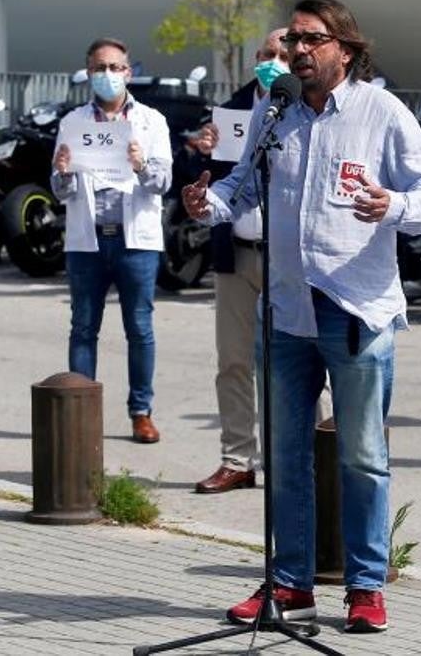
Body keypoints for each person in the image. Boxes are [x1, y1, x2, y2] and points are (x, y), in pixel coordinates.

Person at [184, 0, 421, 633]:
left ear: (345, 50)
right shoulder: (274, 113)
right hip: (286, 311)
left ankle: (364, 586)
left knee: (361, 456)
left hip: (355, 309)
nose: (296, 52)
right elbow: (240, 187)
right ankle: (289, 583)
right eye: (290, 43)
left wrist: (391, 206)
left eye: (309, 41)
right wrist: (205, 202)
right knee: (286, 456)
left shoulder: (382, 113)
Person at [178, 28, 288, 494]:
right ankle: (238, 458)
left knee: (296, 365)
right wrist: (197, 154)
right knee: (234, 362)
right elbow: (198, 186)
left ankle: (299, 458)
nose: (276, 60)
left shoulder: (309, 106)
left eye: (284, 53)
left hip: (289, 259)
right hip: (236, 255)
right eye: (267, 54)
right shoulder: (229, 112)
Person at [52, 37, 173, 444]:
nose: (108, 75)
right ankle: (79, 410)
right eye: (100, 68)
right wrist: (63, 173)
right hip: (87, 242)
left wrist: (141, 165)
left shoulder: (152, 121)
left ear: (129, 71)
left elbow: (163, 183)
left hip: (135, 240)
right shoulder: (72, 122)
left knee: (139, 328)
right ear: (88, 73)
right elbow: (60, 191)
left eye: (115, 67)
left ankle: (141, 411)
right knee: (83, 326)